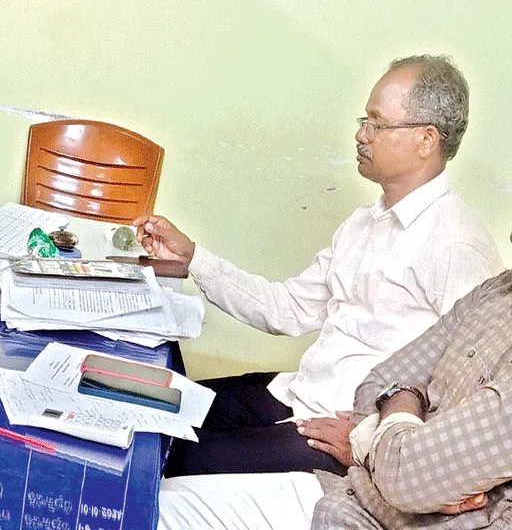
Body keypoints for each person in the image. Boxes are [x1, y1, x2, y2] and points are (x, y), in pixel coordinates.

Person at [135, 55, 501, 477]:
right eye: (364, 120)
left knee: (166, 461)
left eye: (378, 124)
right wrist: (193, 257)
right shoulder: (364, 223)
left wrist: (369, 441)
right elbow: (287, 309)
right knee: (152, 416)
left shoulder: (458, 246)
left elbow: (472, 389)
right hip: (298, 392)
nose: (361, 135)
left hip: (340, 428)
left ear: (426, 139)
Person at [159, 267, 512, 529]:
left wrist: (398, 437)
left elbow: (409, 474)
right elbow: (381, 382)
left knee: (172, 471)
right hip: (352, 459)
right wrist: (398, 425)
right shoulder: (498, 290)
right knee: (163, 446)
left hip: (357, 478)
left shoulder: (457, 246)